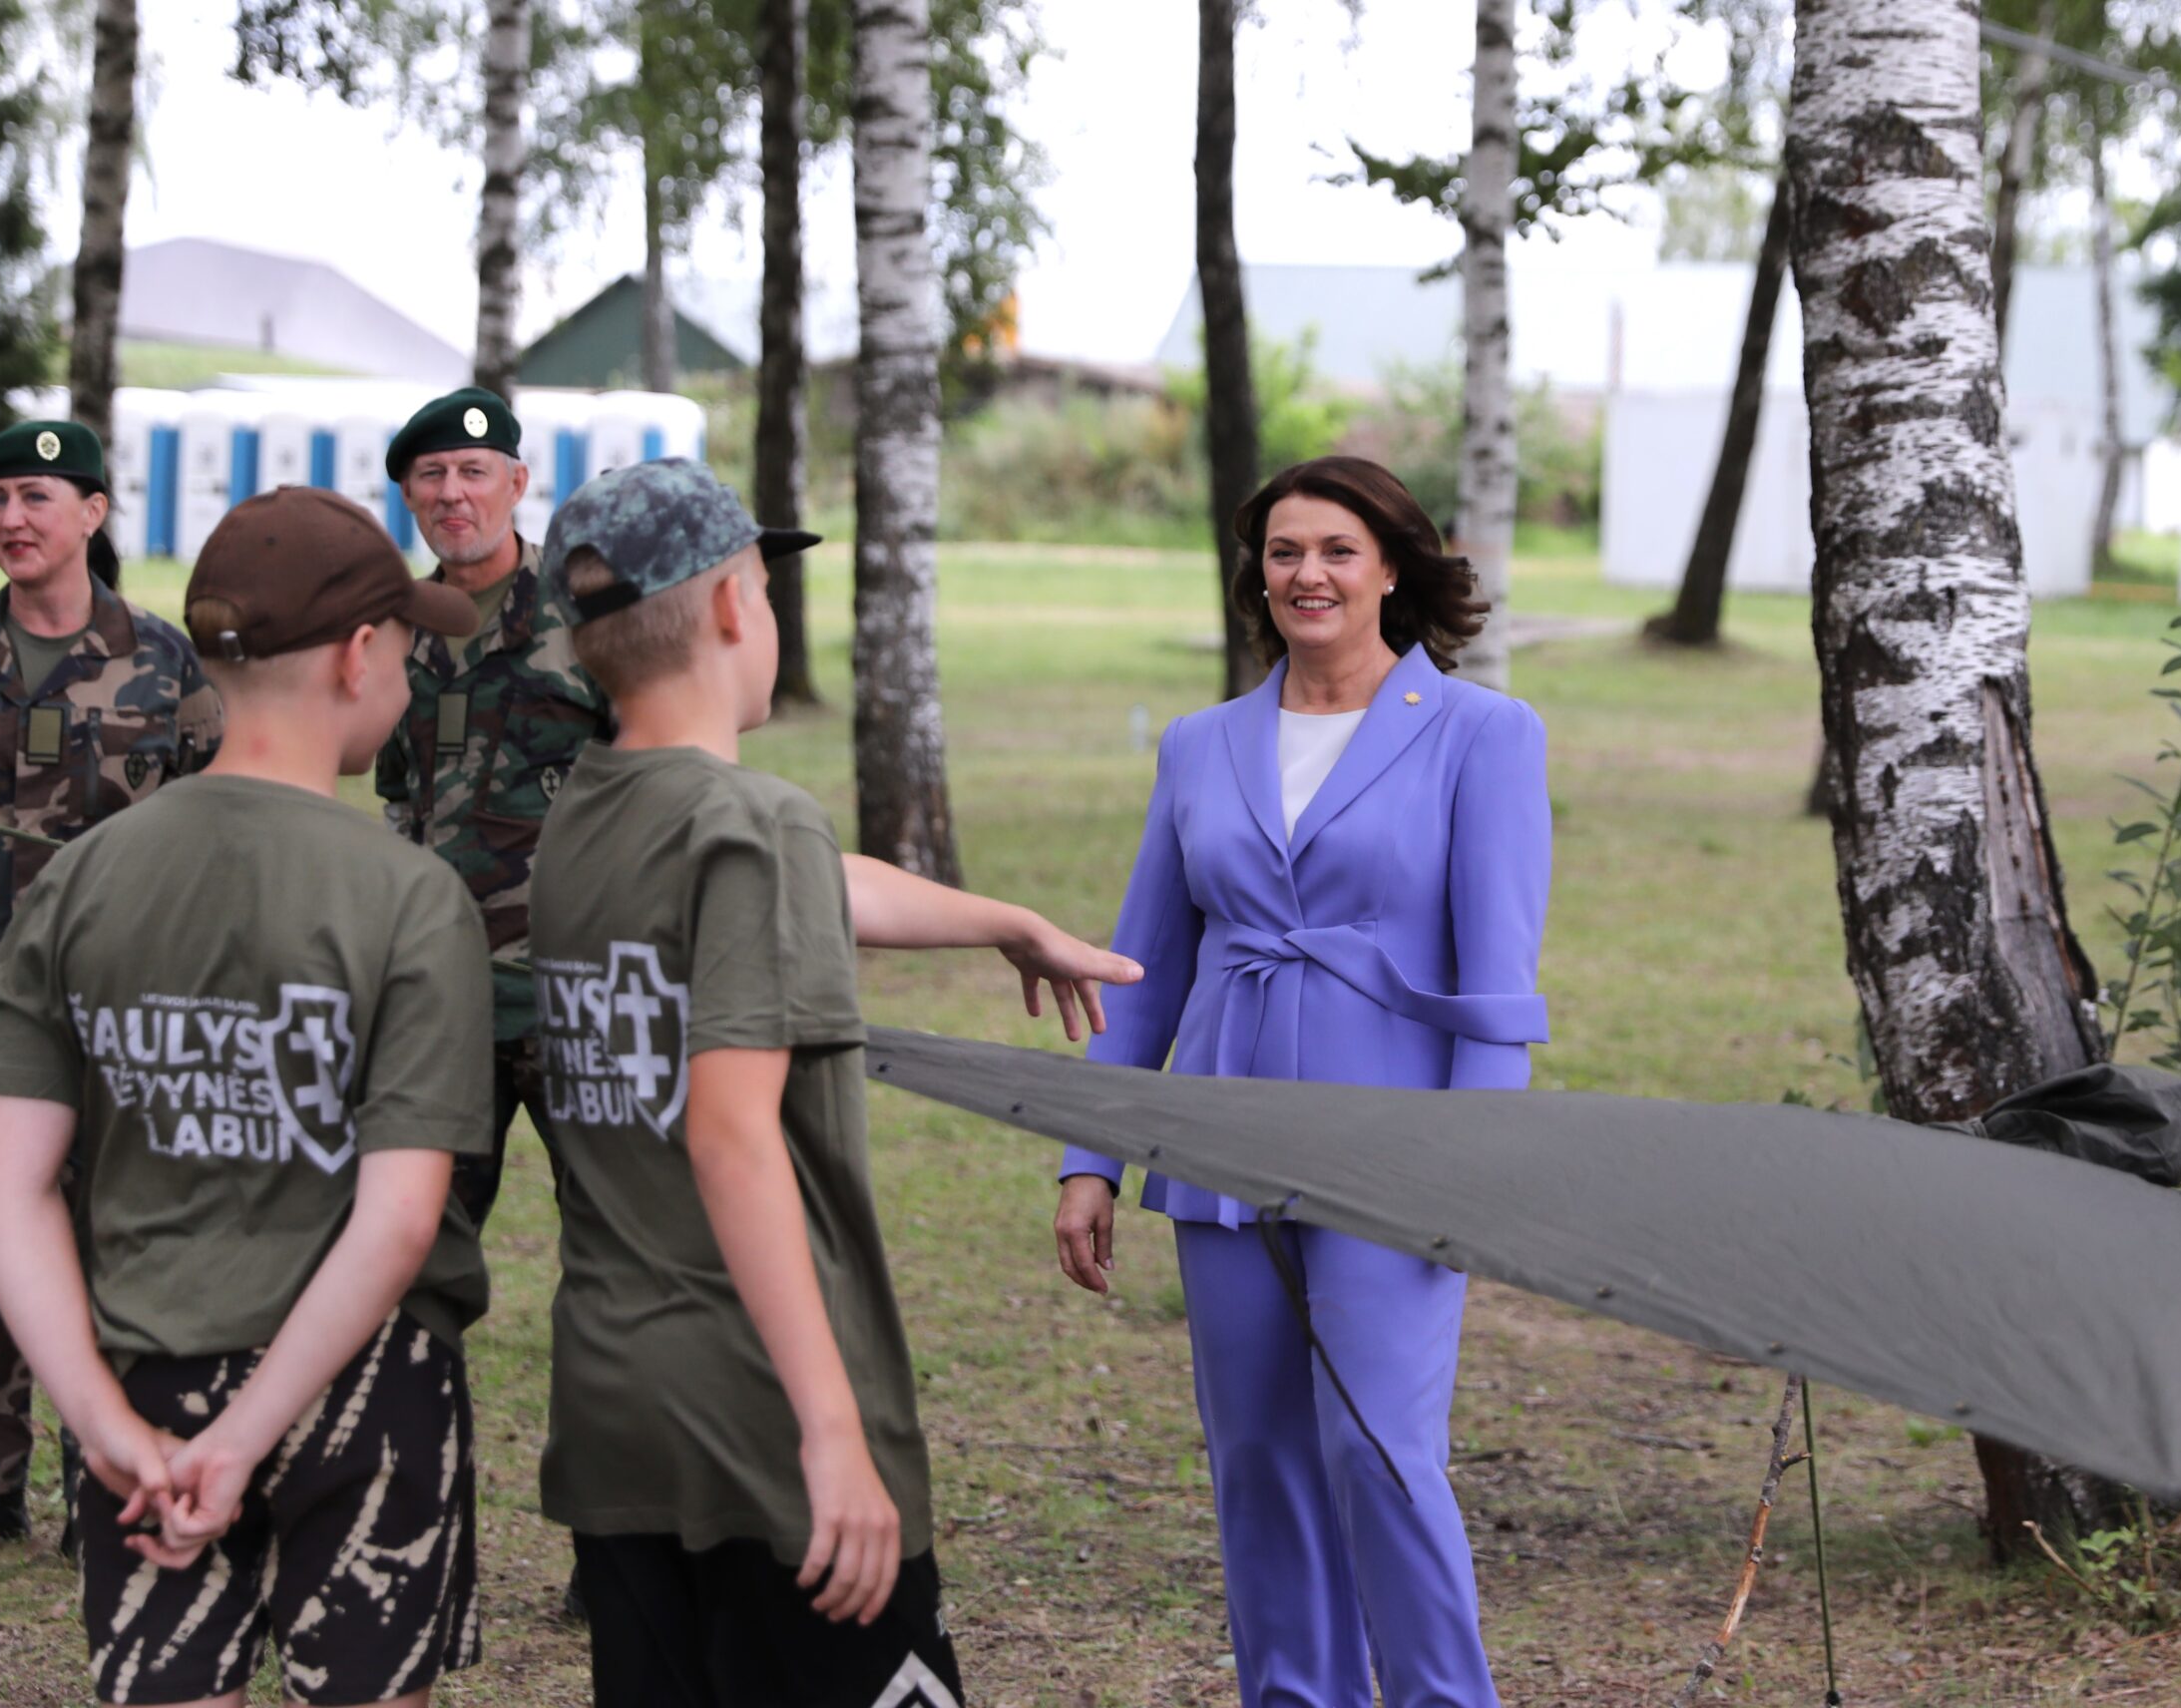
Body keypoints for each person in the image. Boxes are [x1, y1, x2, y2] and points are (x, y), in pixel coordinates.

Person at [529, 460, 1139, 1706]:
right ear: (730, 610)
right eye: (760, 575)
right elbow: (732, 1135)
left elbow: (812, 872)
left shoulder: (584, 815)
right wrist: (828, 1434)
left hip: (620, 1410)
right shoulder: (750, 825)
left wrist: (1004, 919)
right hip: (762, 1424)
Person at [0, 485, 494, 1708]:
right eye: (407, 646)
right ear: (362, 654)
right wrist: (251, 1435)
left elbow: (3, 1182)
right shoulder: (412, 896)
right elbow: (401, 1217)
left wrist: (101, 1422)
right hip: (366, 1387)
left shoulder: (80, 878)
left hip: (143, 1385)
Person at [1050, 456, 1551, 1708]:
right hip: (1220, 1149)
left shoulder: (1483, 734)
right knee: (1260, 1458)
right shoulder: (1199, 743)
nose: (1307, 573)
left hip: (1395, 1157)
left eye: (1336, 548)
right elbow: (1142, 970)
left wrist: (1470, 1168)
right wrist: (1089, 1157)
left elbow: (1496, 989)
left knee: (1381, 1449)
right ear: (1256, 573)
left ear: (1392, 566)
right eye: (1283, 551)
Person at [0, 417, 221, 1564]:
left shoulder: (166, 662)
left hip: (113, 1011)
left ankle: (107, 1473)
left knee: (114, 1242)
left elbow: (210, 830)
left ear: (92, 511)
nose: (13, 519)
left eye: (36, 495)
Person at [374, 386, 611, 1229]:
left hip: (578, 997)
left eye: (474, 471)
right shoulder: (389, 632)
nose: (452, 494)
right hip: (440, 1004)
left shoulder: (591, 613)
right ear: (406, 496)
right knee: (414, 1245)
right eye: (431, 475)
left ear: (518, 482)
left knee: (616, 1243)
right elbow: (397, 803)